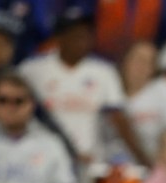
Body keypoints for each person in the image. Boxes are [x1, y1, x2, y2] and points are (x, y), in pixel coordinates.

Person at [20, 8, 150, 165]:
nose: (83, 39)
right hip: (40, 158)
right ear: (60, 38)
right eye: (76, 34)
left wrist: (142, 159)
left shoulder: (104, 71)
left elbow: (118, 119)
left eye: (87, 34)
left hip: (88, 159)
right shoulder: (32, 70)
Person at [106, 41, 166, 164]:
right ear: (125, 61)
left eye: (148, 62)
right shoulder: (109, 87)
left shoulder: (162, 88)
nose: (142, 66)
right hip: (113, 164)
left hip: (155, 163)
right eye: (138, 59)